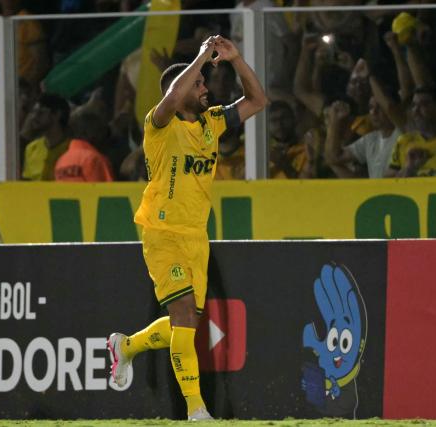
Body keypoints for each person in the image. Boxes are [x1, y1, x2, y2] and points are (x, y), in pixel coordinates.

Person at [107, 35, 267, 421]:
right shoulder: (158, 125)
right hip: (162, 233)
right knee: (182, 315)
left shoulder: (212, 122)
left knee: (185, 323)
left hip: (197, 235)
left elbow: (258, 101)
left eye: (203, 82)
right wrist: (199, 56)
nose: (205, 87)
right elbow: (175, 94)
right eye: (198, 84)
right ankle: (197, 410)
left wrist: (236, 60)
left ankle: (126, 346)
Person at [53, 110, 114, 182]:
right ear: (87, 132)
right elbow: (106, 191)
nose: (104, 135)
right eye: (99, 130)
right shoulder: (95, 159)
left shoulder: (61, 160)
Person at [22, 93, 70, 181]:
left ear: (57, 115)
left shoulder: (70, 148)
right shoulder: (32, 148)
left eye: (40, 113)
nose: (34, 117)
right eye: (33, 112)